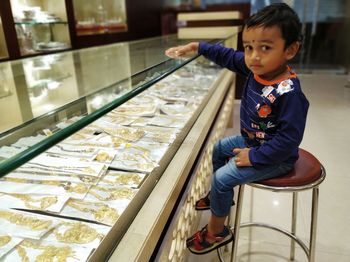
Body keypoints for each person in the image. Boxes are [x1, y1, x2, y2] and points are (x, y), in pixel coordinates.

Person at [165, 3, 309, 255]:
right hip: (255, 142)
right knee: (219, 147)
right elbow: (228, 56)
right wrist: (198, 47)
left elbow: (288, 140)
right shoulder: (257, 67)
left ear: (291, 49)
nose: (253, 56)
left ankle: (217, 232)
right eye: (249, 47)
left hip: (278, 157)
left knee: (222, 178)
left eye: (265, 47)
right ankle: (219, 198)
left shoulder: (289, 92)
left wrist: (253, 157)